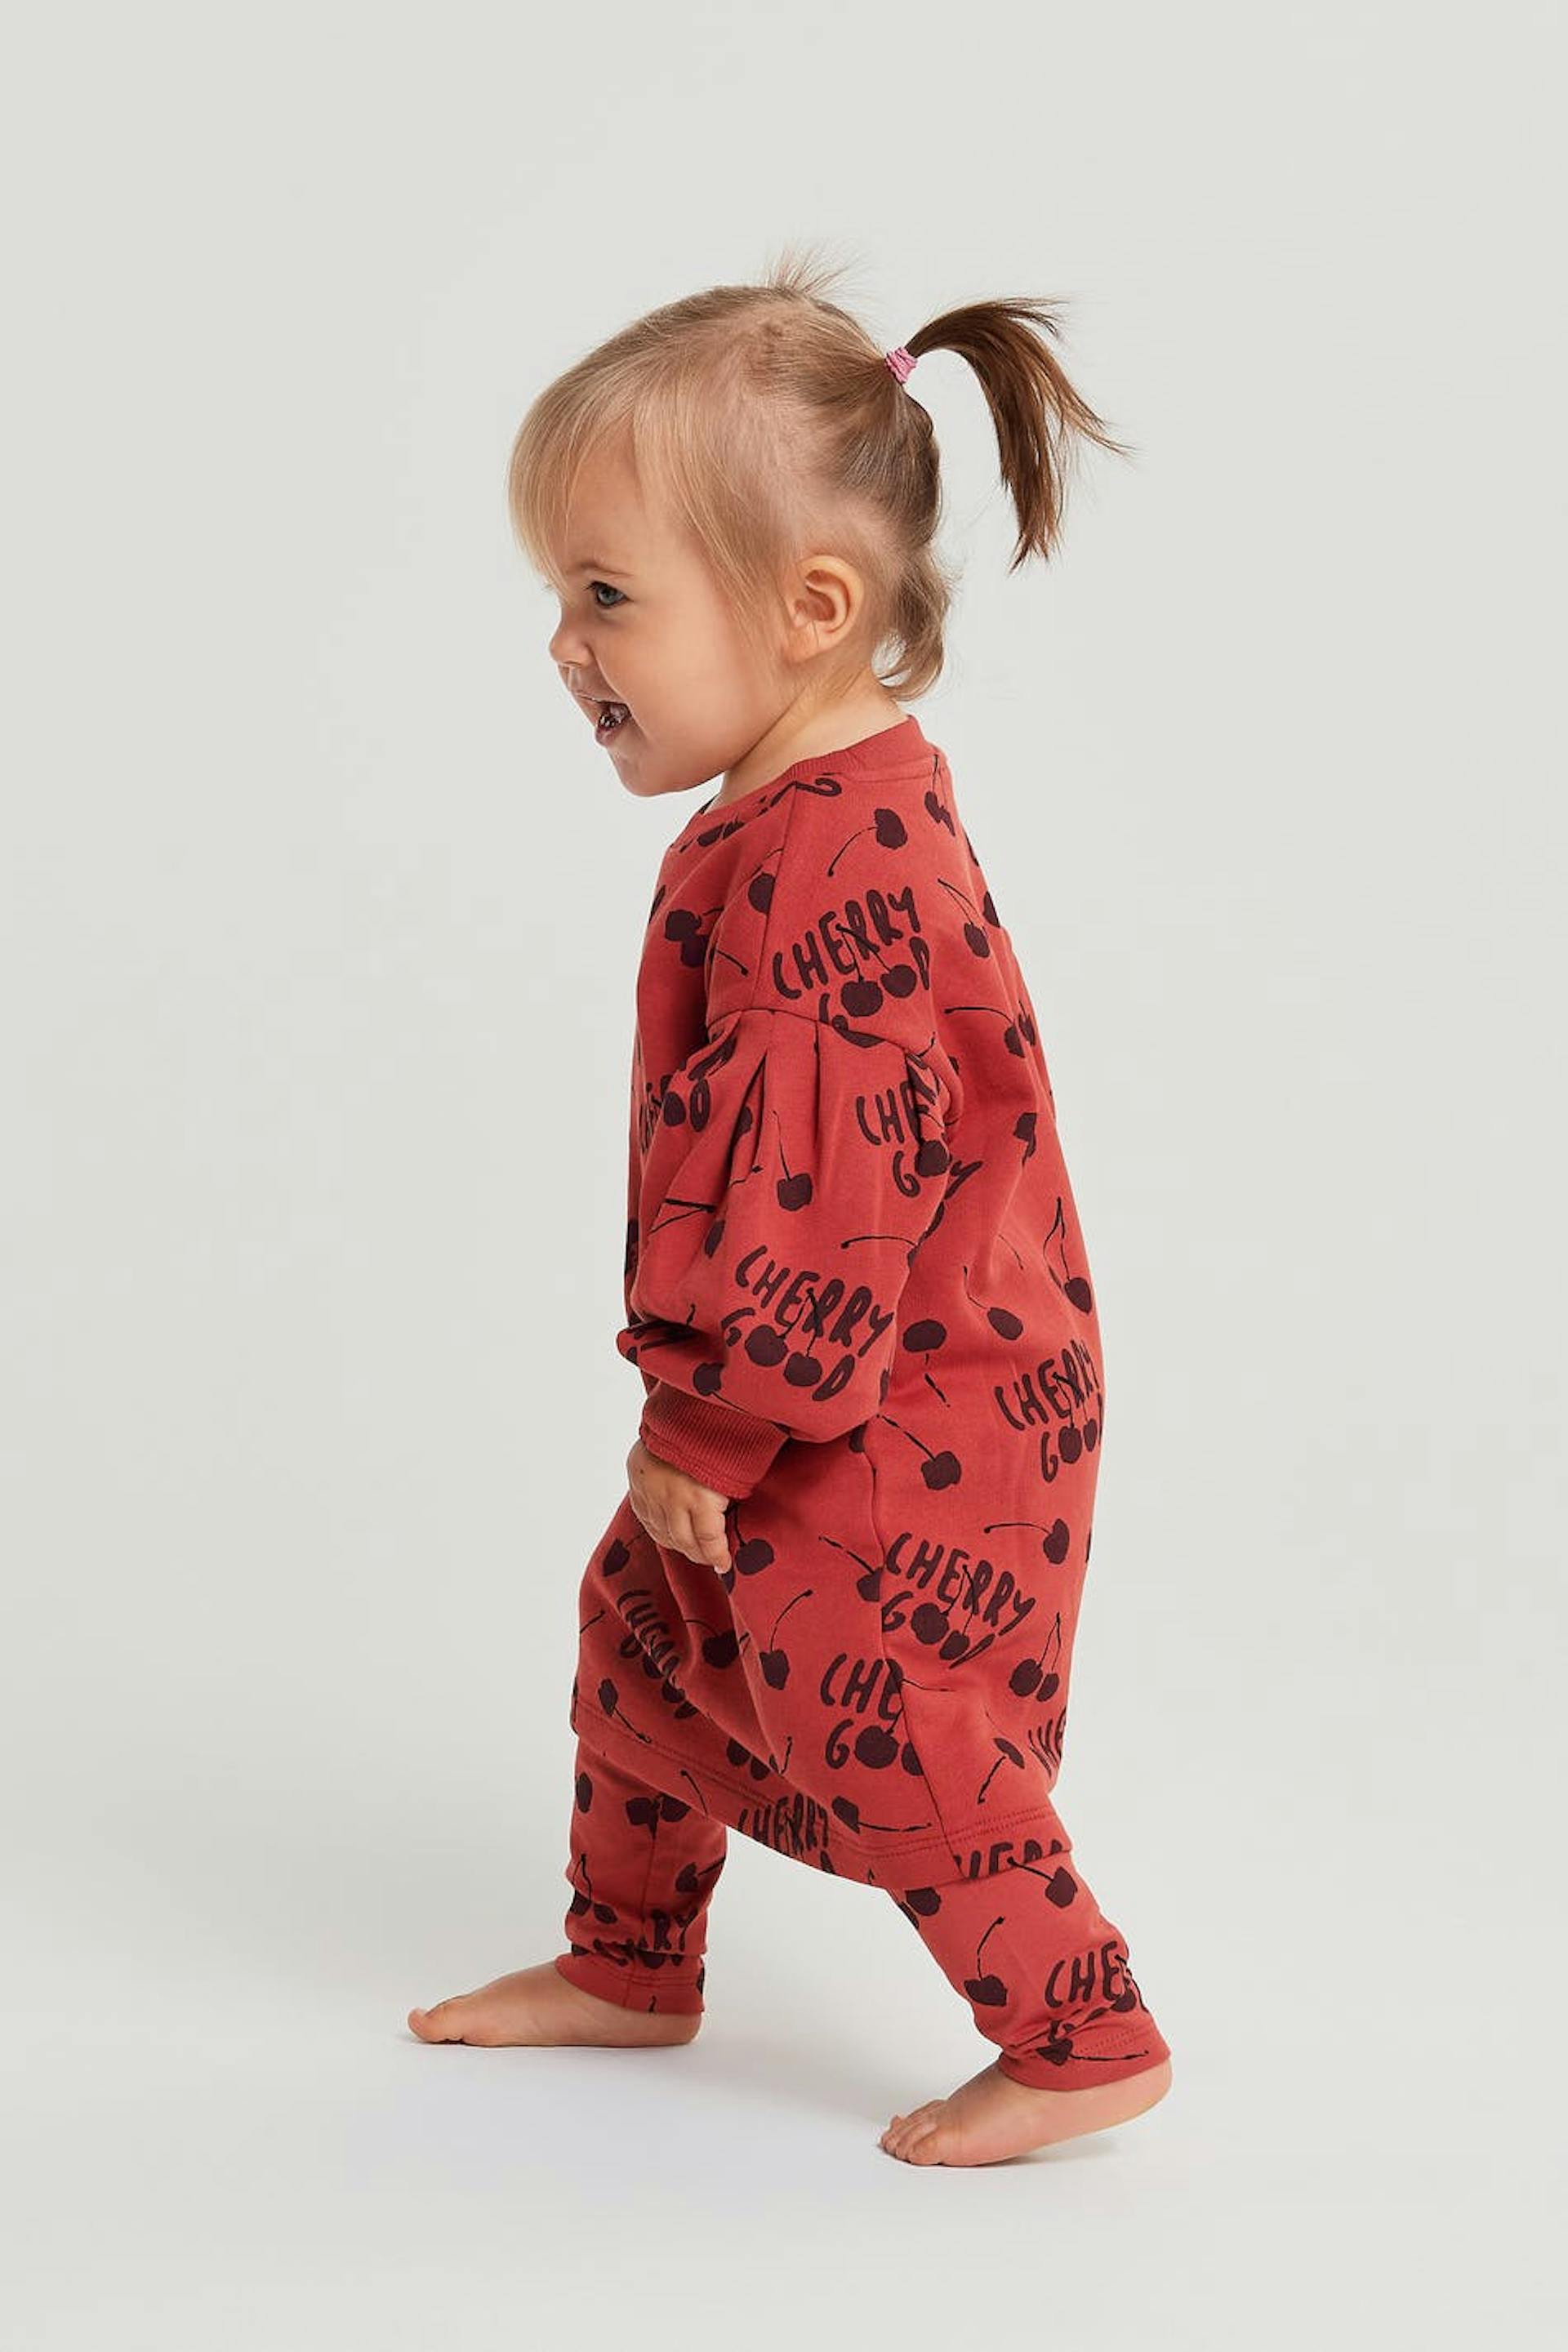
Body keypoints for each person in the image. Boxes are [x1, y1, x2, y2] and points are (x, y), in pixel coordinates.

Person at [408, 248, 1174, 2167]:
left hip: (892, 1414)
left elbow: (822, 1198)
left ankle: (1082, 2030)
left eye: (606, 596)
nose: (564, 645)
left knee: (877, 1711)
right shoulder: (795, 819)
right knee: (641, 1636)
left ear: (810, 607)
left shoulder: (833, 870)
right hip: (816, 1389)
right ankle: (630, 1959)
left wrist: (718, 1422)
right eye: (556, 596)